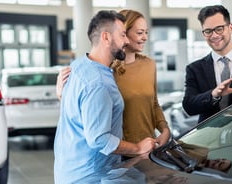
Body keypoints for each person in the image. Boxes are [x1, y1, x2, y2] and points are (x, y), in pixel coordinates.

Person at [53, 10, 156, 184]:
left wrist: (62, 97)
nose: (126, 40)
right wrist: (138, 148)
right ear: (106, 37)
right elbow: (98, 139)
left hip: (68, 171)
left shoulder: (78, 66)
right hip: (91, 176)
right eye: (123, 35)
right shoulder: (99, 83)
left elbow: (80, 113)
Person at [57, 9, 170, 150]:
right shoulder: (104, 72)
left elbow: (153, 103)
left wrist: (165, 129)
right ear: (124, 33)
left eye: (146, 32)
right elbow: (87, 114)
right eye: (139, 33)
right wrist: (63, 96)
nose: (145, 37)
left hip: (149, 146)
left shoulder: (149, 65)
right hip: (120, 150)